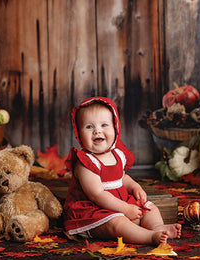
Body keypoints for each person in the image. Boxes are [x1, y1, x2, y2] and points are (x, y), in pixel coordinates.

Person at [63, 96, 182, 245]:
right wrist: (125, 208)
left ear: (116, 128)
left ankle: (157, 227)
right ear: (78, 134)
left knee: (150, 208)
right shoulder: (85, 163)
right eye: (89, 127)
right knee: (117, 224)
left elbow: (122, 177)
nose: (97, 131)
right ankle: (149, 237)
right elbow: (97, 194)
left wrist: (135, 187)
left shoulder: (117, 154)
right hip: (95, 212)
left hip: (121, 203)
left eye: (104, 125)